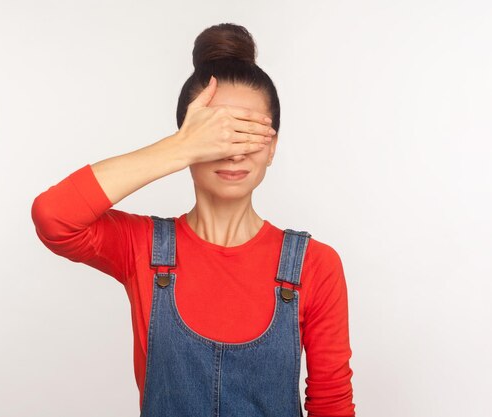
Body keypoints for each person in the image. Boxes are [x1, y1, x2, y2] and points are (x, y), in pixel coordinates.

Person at [31, 23, 355, 417]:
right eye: (218, 134)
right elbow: (54, 216)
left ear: (271, 148)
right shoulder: (144, 248)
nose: (233, 152)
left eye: (248, 133)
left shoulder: (314, 266)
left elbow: (332, 405)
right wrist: (181, 147)